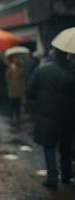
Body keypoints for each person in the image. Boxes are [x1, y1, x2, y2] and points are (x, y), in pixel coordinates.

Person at [27, 30, 75, 188]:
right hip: (68, 115)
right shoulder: (71, 71)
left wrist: (39, 101)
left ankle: (52, 177)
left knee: (49, 146)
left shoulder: (42, 69)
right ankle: (67, 175)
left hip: (47, 114)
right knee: (66, 147)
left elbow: (30, 90)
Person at [5, 54, 25, 128]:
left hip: (19, 89)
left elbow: (23, 76)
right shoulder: (10, 67)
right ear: (13, 59)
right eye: (15, 58)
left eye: (17, 58)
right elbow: (7, 77)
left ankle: (17, 116)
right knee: (12, 103)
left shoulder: (21, 67)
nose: (16, 60)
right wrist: (11, 69)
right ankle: (11, 115)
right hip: (12, 89)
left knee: (18, 104)